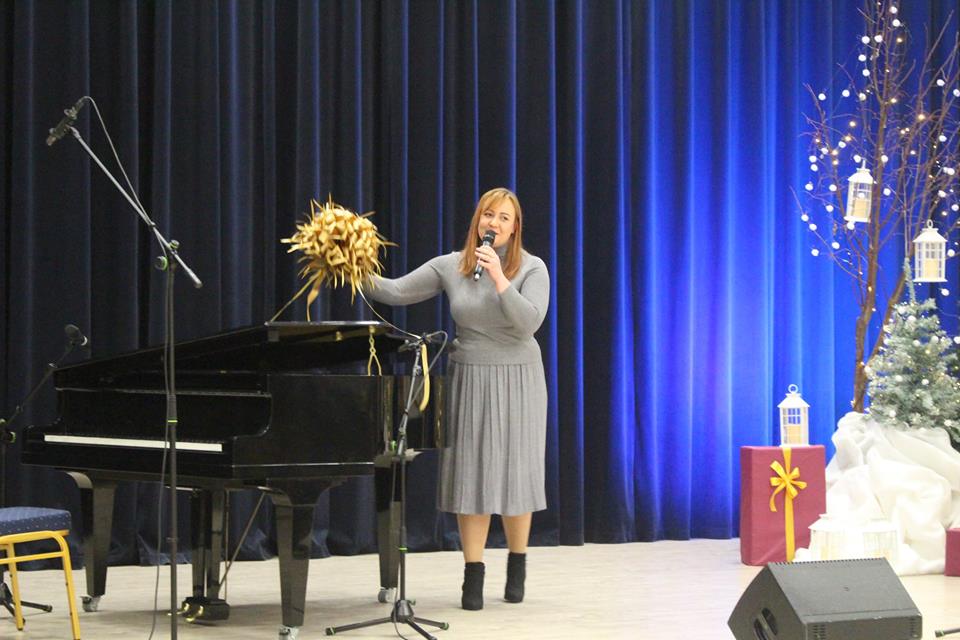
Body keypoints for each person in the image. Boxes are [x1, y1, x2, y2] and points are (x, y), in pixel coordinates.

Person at [364, 187, 550, 610]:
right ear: (477, 220)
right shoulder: (452, 265)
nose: (494, 223)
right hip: (470, 375)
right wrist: (347, 265)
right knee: (472, 473)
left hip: (519, 376)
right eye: (488, 215)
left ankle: (517, 564)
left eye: (504, 218)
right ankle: (473, 574)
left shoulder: (532, 268)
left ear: (514, 228)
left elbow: (528, 324)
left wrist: (500, 277)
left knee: (515, 471)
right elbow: (395, 291)